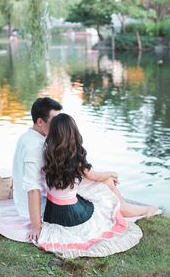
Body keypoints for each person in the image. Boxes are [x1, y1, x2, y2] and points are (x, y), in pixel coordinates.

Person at [36, 113, 161, 258]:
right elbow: (93, 176)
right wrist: (111, 173)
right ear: (73, 133)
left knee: (103, 184)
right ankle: (136, 209)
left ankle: (126, 206)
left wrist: (107, 177)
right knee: (105, 198)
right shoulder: (75, 157)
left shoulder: (47, 153)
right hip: (72, 215)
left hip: (53, 213)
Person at [12, 97, 62, 241]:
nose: (59, 125)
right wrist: (36, 225)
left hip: (22, 201)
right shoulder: (35, 147)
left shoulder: (27, 136)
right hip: (35, 209)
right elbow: (33, 188)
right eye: (55, 121)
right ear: (40, 122)